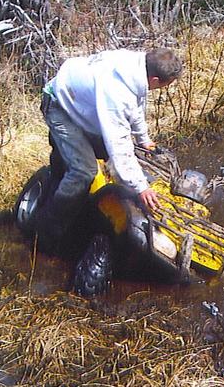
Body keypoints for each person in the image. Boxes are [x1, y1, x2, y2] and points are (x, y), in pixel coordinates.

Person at [37, 48, 183, 248]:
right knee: (84, 172)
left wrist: (143, 139)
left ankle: (62, 175)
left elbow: (136, 106)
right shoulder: (117, 93)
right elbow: (120, 147)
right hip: (59, 105)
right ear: (155, 80)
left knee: (101, 157)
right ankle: (48, 228)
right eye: (166, 84)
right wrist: (141, 188)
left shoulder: (137, 66)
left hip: (80, 102)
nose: (164, 88)